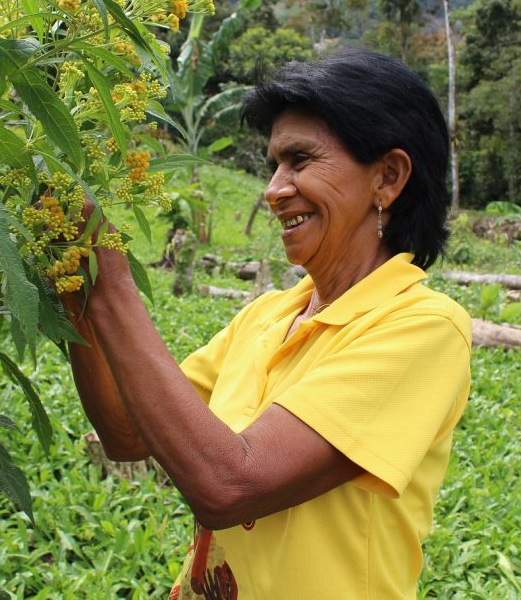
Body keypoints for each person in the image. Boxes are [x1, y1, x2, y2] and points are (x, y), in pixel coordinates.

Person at [60, 50, 472, 599]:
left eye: (300, 161)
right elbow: (128, 434)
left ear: (388, 178)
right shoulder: (268, 315)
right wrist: (79, 290)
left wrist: (110, 283)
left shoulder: (424, 328)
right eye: (274, 165)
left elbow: (230, 485)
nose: (275, 190)